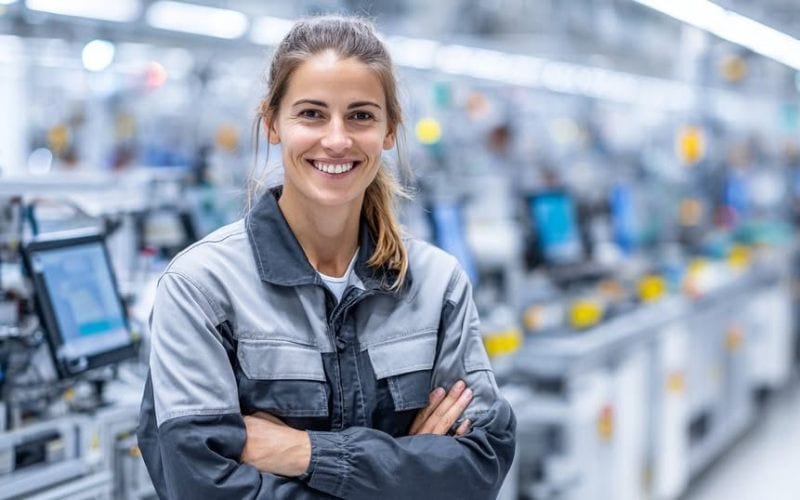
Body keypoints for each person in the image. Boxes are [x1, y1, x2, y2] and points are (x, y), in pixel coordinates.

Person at [137, 15, 516, 499]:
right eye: (312, 114)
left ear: (389, 130)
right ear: (273, 123)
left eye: (360, 116)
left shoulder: (436, 284)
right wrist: (408, 470)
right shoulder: (202, 288)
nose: (336, 140)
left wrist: (303, 452)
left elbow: (480, 466)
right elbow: (201, 487)